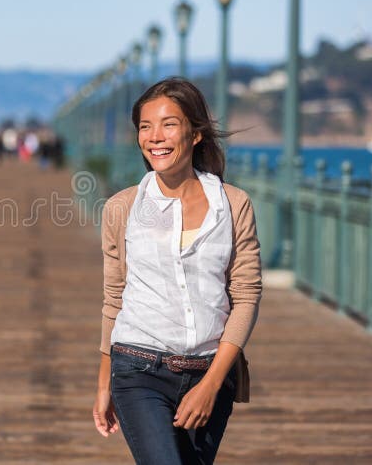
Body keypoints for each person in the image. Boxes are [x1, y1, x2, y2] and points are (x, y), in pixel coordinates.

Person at [92, 78, 262, 464]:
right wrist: (104, 384)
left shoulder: (234, 205)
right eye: (145, 127)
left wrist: (212, 384)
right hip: (138, 368)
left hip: (210, 373)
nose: (155, 136)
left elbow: (246, 296)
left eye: (169, 124)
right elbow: (114, 298)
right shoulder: (122, 208)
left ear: (196, 133)